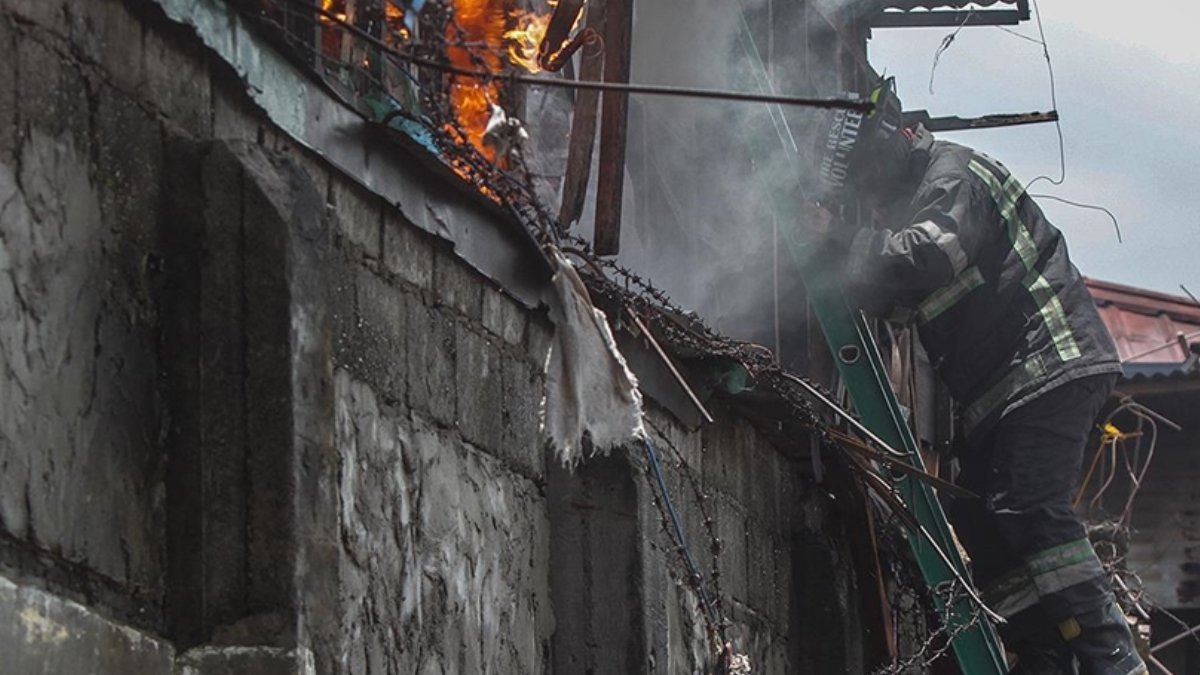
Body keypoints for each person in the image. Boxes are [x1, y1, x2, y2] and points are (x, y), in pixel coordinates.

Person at [803, 78, 1147, 675]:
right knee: (985, 527)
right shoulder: (912, 202)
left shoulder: (953, 175)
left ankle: (1111, 657)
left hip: (1049, 365)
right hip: (1004, 392)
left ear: (896, 143)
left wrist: (832, 238)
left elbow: (928, 256)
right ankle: (1046, 654)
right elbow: (898, 296)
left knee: (1030, 508)